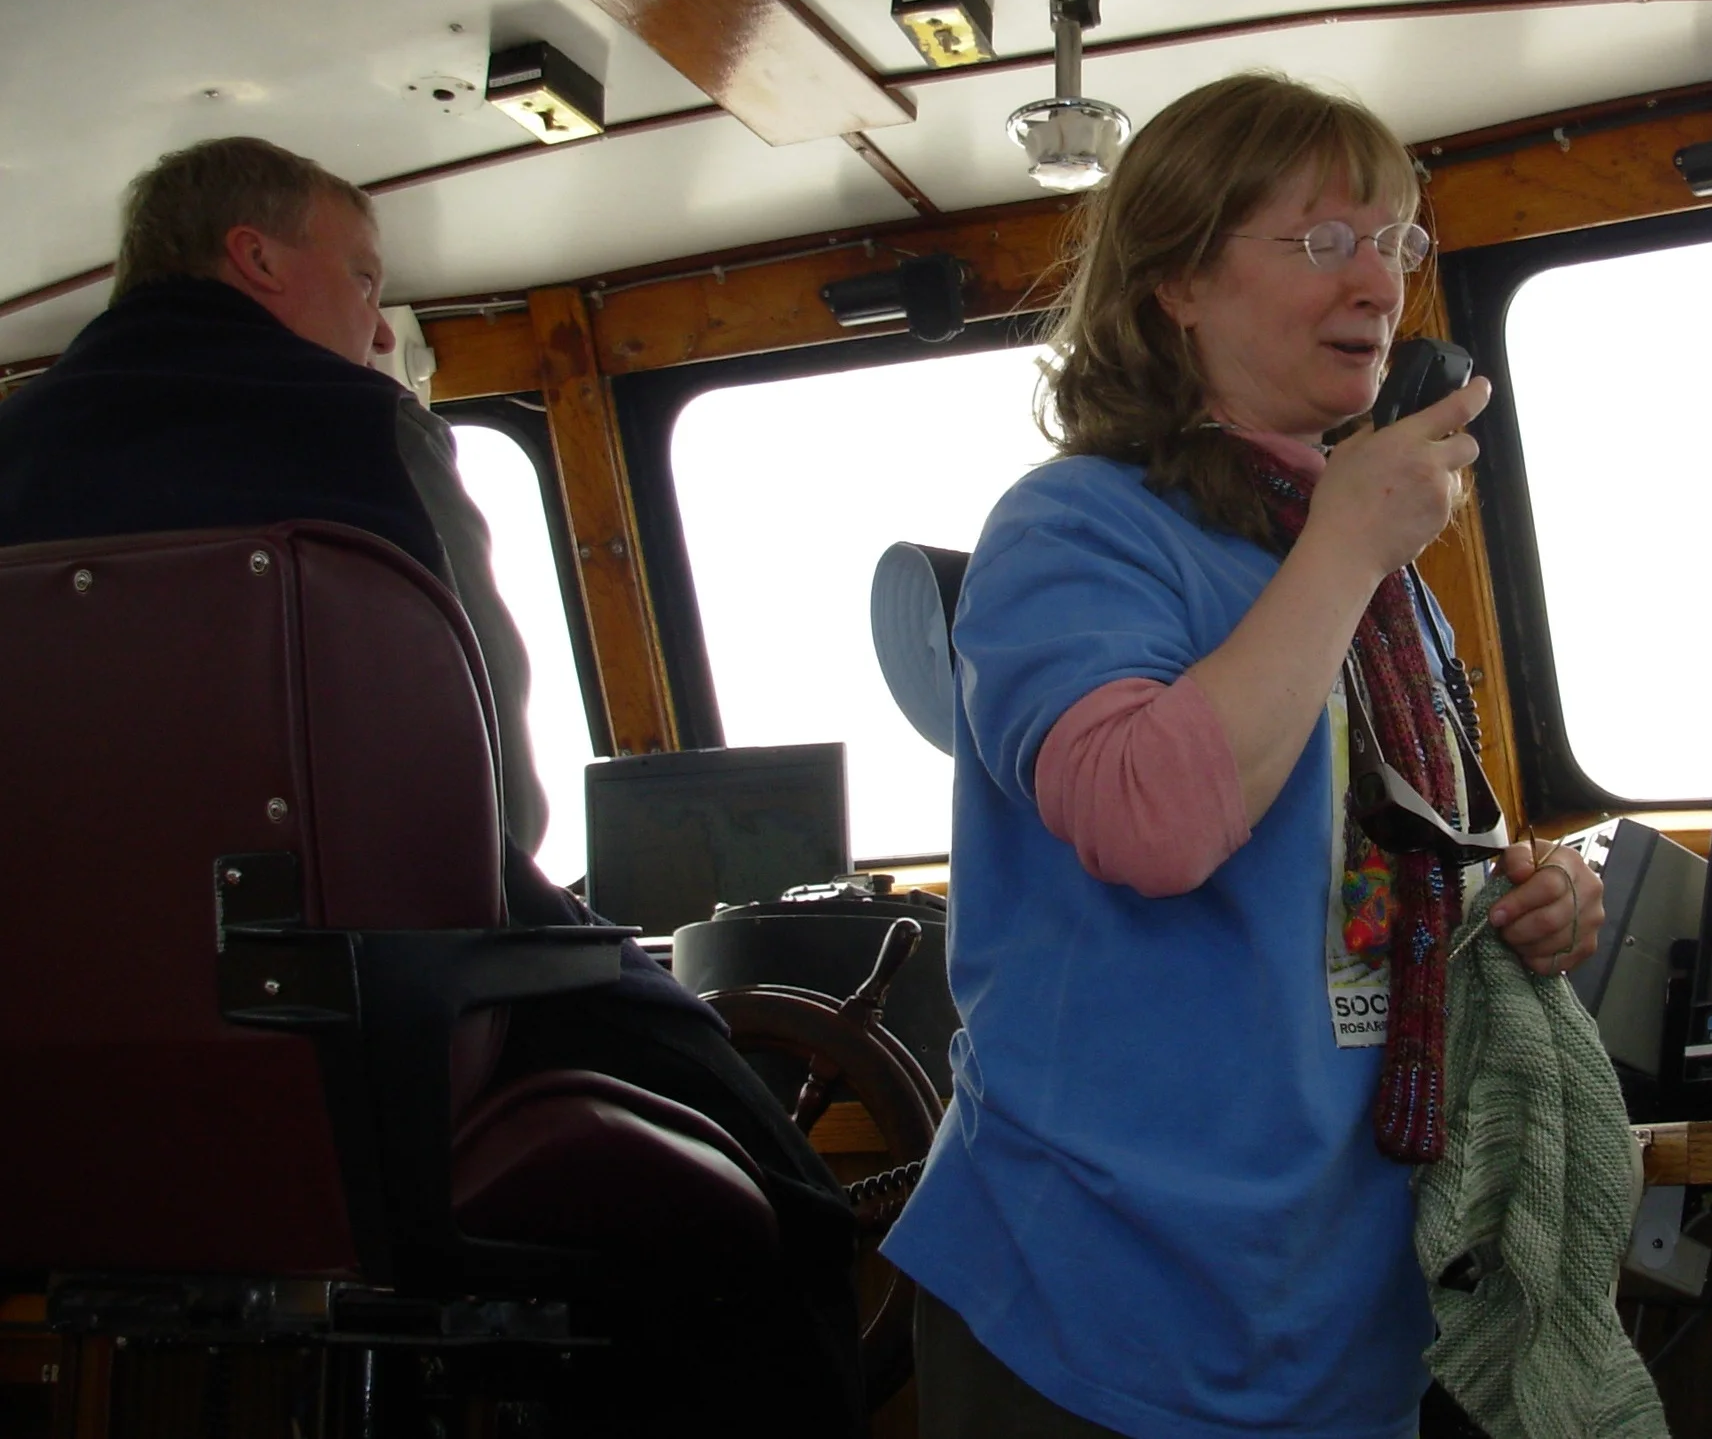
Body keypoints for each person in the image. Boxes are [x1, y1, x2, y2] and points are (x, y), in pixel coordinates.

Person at [0, 136, 863, 1434]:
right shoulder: (365, 427)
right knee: (785, 1195)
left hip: (59, 1100)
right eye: (362, 276)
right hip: (367, 1061)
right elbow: (493, 805)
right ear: (255, 257)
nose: (375, 323)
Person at [883, 74, 1607, 1439]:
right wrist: (1347, 545)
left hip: (1339, 1306)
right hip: (1097, 1301)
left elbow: (1384, 867)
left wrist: (1531, 897)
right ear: (1177, 280)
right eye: (1323, 239)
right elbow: (1148, 825)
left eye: (1395, 240)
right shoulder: (1075, 529)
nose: (1379, 281)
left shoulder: (1369, 568)